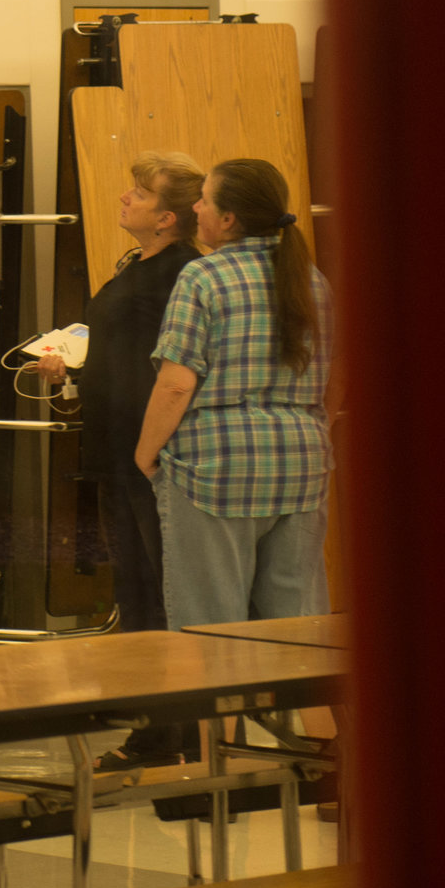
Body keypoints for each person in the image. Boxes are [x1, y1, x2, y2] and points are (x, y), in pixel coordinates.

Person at [36, 151, 204, 769]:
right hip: (116, 451)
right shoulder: (137, 265)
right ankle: (156, 726)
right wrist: (71, 370)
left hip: (151, 458)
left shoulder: (185, 276)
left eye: (141, 192)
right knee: (133, 594)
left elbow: (173, 373)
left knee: (158, 596)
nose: (127, 197)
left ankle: (169, 732)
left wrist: (148, 452)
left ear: (168, 218)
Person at [135, 158, 332, 641]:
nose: (195, 208)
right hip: (303, 464)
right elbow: (338, 374)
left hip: (214, 469)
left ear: (227, 220)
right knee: (297, 633)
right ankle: (299, 719)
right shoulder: (314, 281)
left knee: (212, 634)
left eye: (204, 199)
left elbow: (177, 384)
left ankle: (224, 721)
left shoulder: (203, 277)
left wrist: (145, 455)